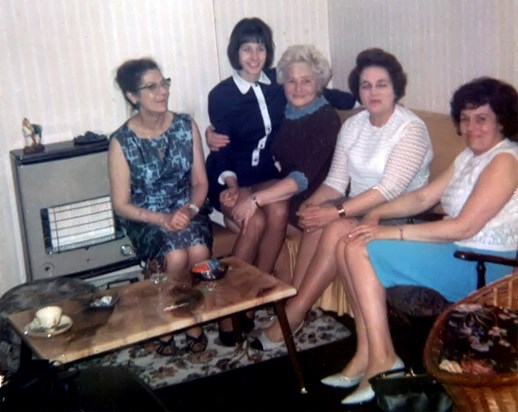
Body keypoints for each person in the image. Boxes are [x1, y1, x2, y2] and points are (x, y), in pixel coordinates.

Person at [325, 76, 518, 405]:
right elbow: (423, 197)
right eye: (465, 119)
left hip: (483, 266)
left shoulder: (505, 160)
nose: (472, 128)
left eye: (481, 119)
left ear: (501, 120)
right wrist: (377, 214)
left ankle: (384, 359)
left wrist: (390, 231)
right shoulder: (470, 156)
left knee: (360, 246)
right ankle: (366, 352)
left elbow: (463, 227)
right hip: (457, 252)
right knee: (351, 239)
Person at [250, 48, 433, 351]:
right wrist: (314, 206)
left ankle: (294, 313)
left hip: (397, 215)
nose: (372, 92)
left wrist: (336, 211)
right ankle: (298, 303)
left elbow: (388, 189)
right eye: (365, 85)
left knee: (332, 223)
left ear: (396, 88)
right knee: (317, 216)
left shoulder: (411, 129)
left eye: (381, 84)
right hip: (358, 208)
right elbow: (336, 181)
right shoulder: (354, 125)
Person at [205, 18, 355, 346]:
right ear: (235, 52)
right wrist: (230, 183)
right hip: (230, 177)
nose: (255, 56)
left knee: (274, 212)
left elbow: (329, 93)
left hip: (270, 182)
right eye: (247, 48)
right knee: (257, 220)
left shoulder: (279, 89)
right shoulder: (225, 95)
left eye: (261, 48)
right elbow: (222, 146)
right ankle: (232, 305)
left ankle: (254, 296)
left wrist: (364, 100)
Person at [108, 58, 212, 354]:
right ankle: (179, 321)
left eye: (164, 82)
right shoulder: (122, 141)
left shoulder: (185, 126)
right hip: (145, 216)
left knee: (199, 251)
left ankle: (175, 315)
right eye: (151, 87)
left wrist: (190, 210)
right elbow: (120, 205)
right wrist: (163, 219)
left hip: (187, 208)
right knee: (176, 255)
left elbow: (201, 183)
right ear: (132, 96)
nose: (162, 91)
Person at [232, 44, 342, 231]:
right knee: (242, 220)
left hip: (312, 200)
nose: (298, 88)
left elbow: (300, 179)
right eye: (291, 81)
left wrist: (254, 200)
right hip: (284, 194)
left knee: (254, 220)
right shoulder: (284, 109)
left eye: (306, 81)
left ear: (318, 84)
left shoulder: (326, 119)